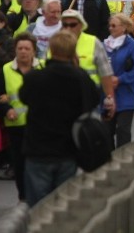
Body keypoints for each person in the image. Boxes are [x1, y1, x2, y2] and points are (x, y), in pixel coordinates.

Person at [20, 31, 100, 207]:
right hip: (68, 149)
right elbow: (92, 102)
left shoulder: (35, 77)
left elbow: (23, 97)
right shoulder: (81, 79)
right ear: (73, 52)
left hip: (38, 148)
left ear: (51, 49)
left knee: (38, 206)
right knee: (62, 205)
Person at [0, 32, 42, 201]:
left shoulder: (43, 69)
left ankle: (37, 196)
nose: (23, 52)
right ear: (15, 50)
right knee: (20, 164)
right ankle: (23, 197)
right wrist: (6, 109)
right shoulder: (6, 70)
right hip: (15, 125)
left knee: (36, 163)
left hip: (39, 125)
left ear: (34, 51)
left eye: (27, 48)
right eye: (20, 48)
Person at [60, 9, 117, 117]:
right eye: (65, 24)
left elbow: (105, 73)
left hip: (88, 99)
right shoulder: (55, 42)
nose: (68, 28)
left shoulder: (93, 42)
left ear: (81, 25)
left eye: (72, 25)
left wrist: (110, 98)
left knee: (89, 132)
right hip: (62, 100)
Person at [104, 14, 134, 148]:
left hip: (127, 96)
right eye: (109, 25)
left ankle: (123, 161)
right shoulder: (105, 45)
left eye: (114, 26)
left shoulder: (131, 45)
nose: (110, 28)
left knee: (123, 130)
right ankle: (108, 162)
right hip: (108, 97)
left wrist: (120, 79)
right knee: (107, 132)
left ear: (124, 27)